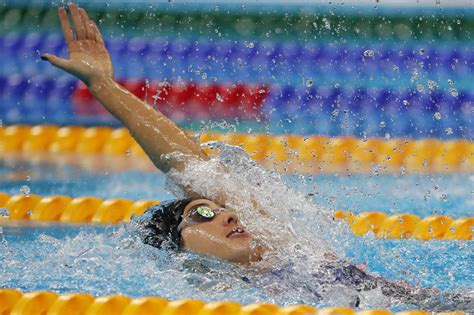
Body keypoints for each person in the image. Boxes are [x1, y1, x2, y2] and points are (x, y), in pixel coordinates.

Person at [42, 3, 472, 310]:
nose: (226, 216)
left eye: (215, 208)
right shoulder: (213, 298)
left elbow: (186, 161)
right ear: (178, 252)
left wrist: (105, 88)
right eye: (202, 215)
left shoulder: (287, 248)